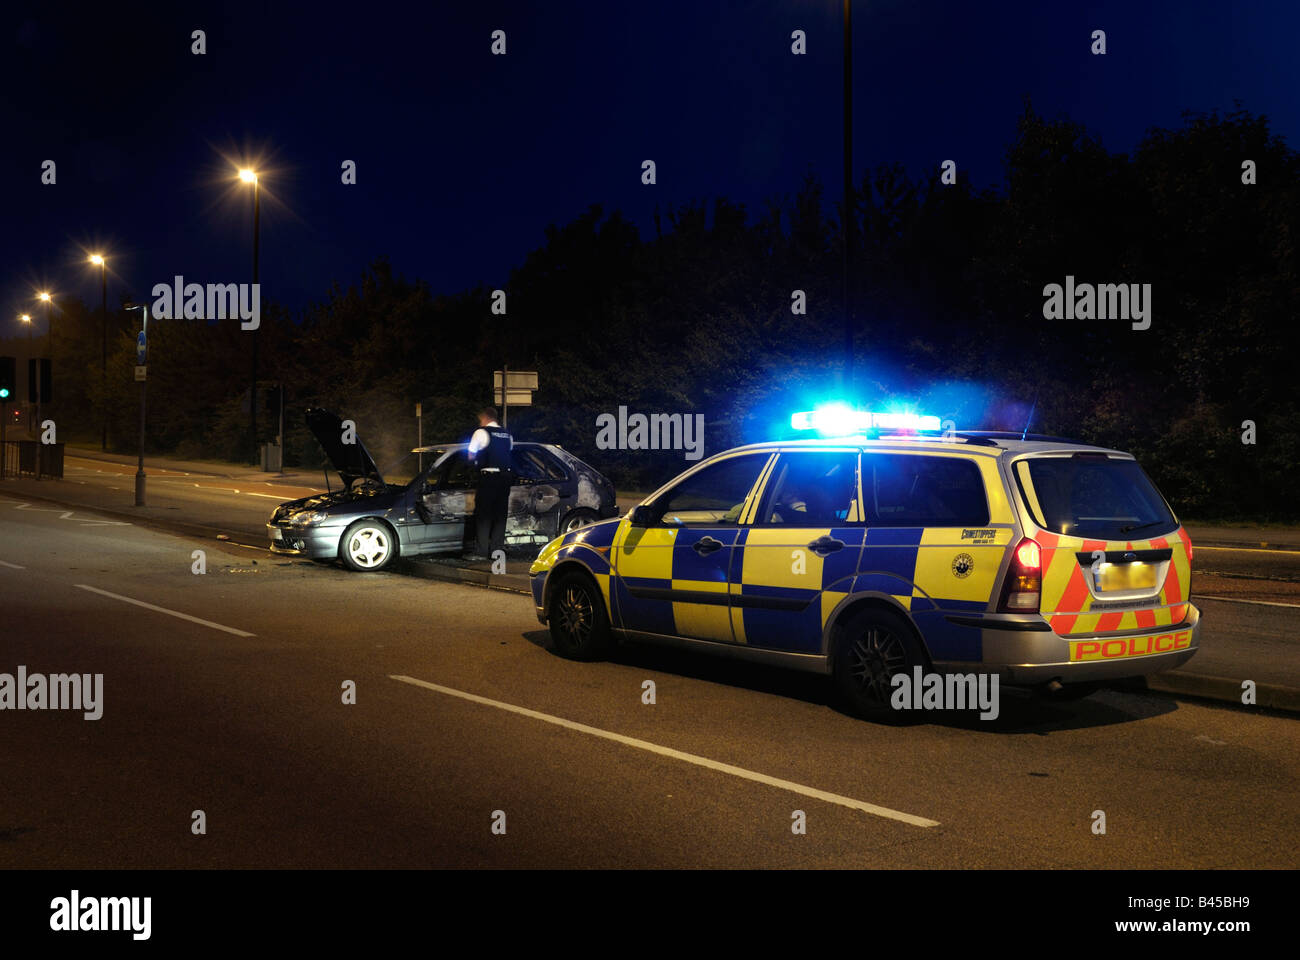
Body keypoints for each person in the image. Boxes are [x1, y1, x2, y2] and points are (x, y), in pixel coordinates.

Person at [466, 406, 513, 560]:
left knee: (484, 515)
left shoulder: (481, 432)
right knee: (500, 515)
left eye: (481, 420)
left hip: (489, 478)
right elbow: (508, 453)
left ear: (485, 418)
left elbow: (471, 455)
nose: (480, 422)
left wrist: (476, 459)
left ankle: (481, 552)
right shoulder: (507, 435)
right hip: (505, 479)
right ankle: (497, 552)